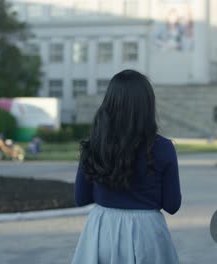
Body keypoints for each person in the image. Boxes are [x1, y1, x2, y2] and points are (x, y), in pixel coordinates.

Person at [72, 70, 181, 264]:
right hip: (146, 233)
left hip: (102, 231)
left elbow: (81, 198)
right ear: (148, 105)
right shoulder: (163, 148)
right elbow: (172, 205)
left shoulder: (94, 145)